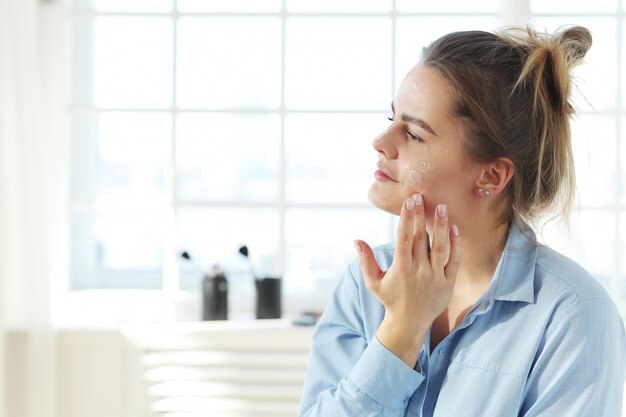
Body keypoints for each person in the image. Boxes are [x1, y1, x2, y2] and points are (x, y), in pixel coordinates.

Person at [298, 25, 626, 417]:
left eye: (415, 134)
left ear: (491, 176)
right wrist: (400, 332)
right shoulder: (364, 285)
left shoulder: (574, 315)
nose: (382, 142)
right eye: (392, 119)